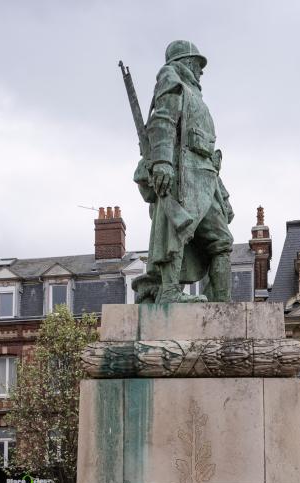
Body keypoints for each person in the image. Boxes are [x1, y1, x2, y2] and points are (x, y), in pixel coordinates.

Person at [132, 40, 234, 304]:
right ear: (185, 61)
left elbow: (208, 153)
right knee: (176, 234)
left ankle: (221, 304)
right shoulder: (171, 77)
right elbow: (162, 121)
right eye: (197, 64)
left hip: (204, 176)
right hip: (182, 173)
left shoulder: (195, 96)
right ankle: (168, 291)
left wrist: (222, 196)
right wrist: (163, 162)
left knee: (221, 241)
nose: (200, 71)